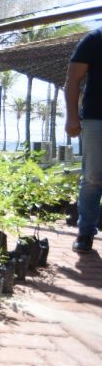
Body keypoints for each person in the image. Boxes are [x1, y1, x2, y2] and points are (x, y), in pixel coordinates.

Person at [65, 27, 102, 253]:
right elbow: (73, 78)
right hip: (96, 119)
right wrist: (71, 116)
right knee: (92, 179)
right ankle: (85, 231)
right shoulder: (95, 39)